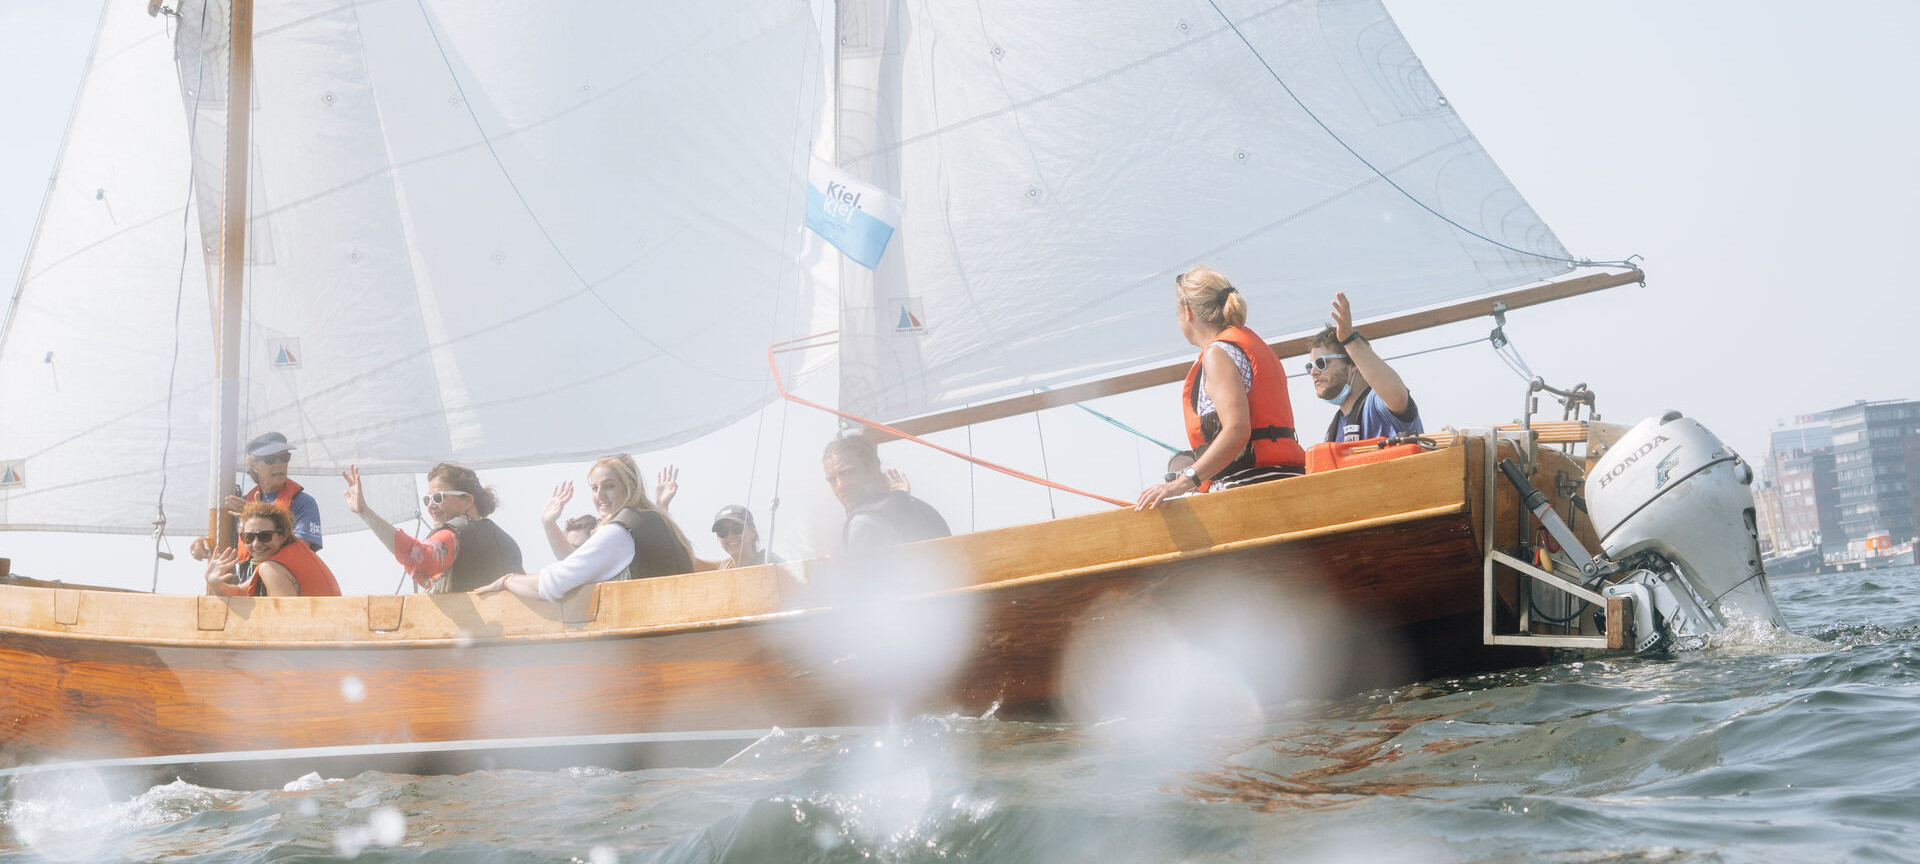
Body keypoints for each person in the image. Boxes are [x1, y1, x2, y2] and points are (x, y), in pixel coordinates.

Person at [1137, 266, 1305, 509]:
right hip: (1290, 482)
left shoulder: (1218, 354)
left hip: (1249, 495)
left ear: (1187, 312)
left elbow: (1237, 429)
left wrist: (1181, 483)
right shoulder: (1252, 346)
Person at [477, 455, 696, 603]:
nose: (600, 495)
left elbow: (554, 583)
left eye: (609, 486)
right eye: (594, 488)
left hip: (646, 650)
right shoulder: (657, 520)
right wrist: (549, 524)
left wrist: (507, 581)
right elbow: (581, 565)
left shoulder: (620, 532)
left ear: (630, 487)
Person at [342, 462, 524, 594]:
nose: (430, 506)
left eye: (438, 498)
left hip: (464, 641)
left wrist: (365, 512)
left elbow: (418, 557)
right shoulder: (509, 543)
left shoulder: (455, 533)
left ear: (467, 500)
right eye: (428, 500)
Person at [1307, 291, 1423, 443]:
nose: (1313, 372)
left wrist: (1349, 340)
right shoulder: (1332, 434)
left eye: (1322, 363)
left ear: (1353, 363)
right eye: (1310, 366)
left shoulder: (1377, 404)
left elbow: (1398, 397)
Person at [190, 431, 322, 560]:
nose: (279, 464)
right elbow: (226, 545)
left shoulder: (303, 503)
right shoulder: (240, 505)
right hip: (249, 581)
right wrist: (204, 544)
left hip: (282, 580)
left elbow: (300, 553)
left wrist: (258, 515)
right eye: (270, 460)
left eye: (284, 458)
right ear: (253, 464)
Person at [822, 435, 950, 551]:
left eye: (847, 473)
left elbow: (861, 575)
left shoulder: (864, 522)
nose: (840, 486)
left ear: (873, 468)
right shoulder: (921, 509)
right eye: (832, 480)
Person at [203, 502, 340, 597]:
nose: (256, 544)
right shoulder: (284, 557)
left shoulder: (270, 568)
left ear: (284, 535)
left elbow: (285, 623)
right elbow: (239, 592)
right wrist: (214, 583)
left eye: (265, 536)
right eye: (249, 537)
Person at [711, 504, 781, 568]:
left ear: (752, 532)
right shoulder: (725, 567)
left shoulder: (770, 561)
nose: (730, 535)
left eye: (737, 528)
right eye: (722, 531)